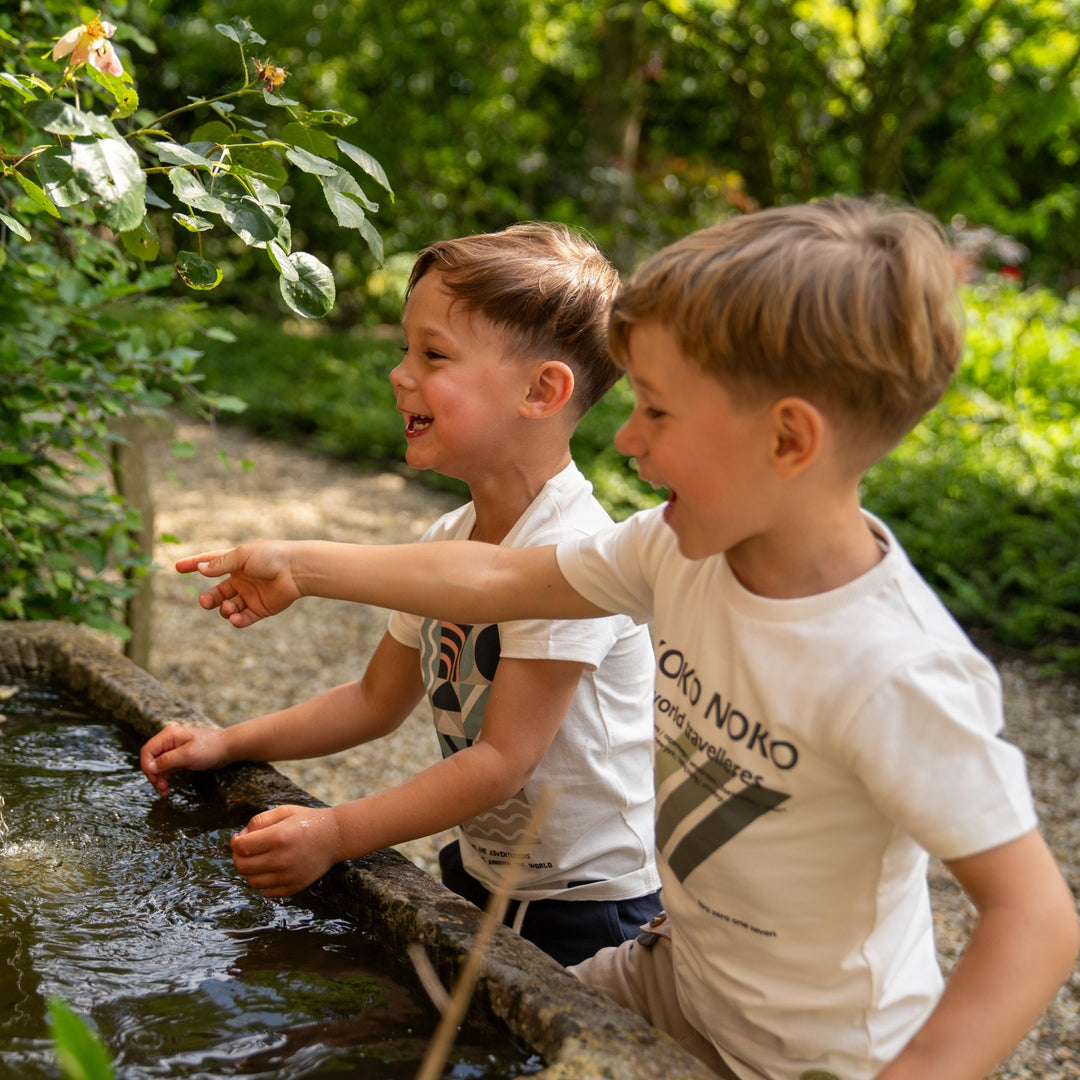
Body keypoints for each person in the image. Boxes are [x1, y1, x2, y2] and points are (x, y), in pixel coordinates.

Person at [169, 197, 1079, 1080]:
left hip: (815, 1058)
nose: (630, 438)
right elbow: (490, 579)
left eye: (659, 411)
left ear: (789, 438)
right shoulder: (669, 550)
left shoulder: (895, 667)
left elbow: (1035, 917)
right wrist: (301, 563)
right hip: (670, 978)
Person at [141, 223, 662, 967]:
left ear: (541, 390)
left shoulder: (572, 552)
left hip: (585, 908)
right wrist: (227, 742)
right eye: (404, 351)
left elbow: (501, 763)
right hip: (483, 873)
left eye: (434, 355)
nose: (400, 374)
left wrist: (337, 833)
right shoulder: (450, 535)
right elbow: (374, 700)